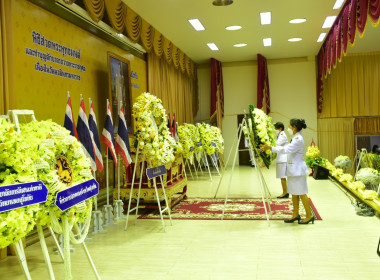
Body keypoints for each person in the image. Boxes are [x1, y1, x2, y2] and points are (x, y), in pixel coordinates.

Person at [261, 119, 315, 224]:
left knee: (302, 193)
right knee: (294, 193)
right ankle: (295, 214)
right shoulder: (295, 137)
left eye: (290, 126)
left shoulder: (298, 138)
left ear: (294, 127)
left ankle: (309, 215)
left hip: (298, 171)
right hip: (293, 170)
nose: (289, 128)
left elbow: (287, 149)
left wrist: (271, 148)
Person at [274, 122, 288, 198]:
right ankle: (285, 192)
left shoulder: (282, 135)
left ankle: (285, 193)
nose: (275, 130)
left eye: (276, 129)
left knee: (282, 177)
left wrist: (268, 146)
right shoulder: (280, 135)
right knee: (282, 177)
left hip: (283, 159)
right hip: (281, 158)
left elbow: (276, 144)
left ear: (280, 128)